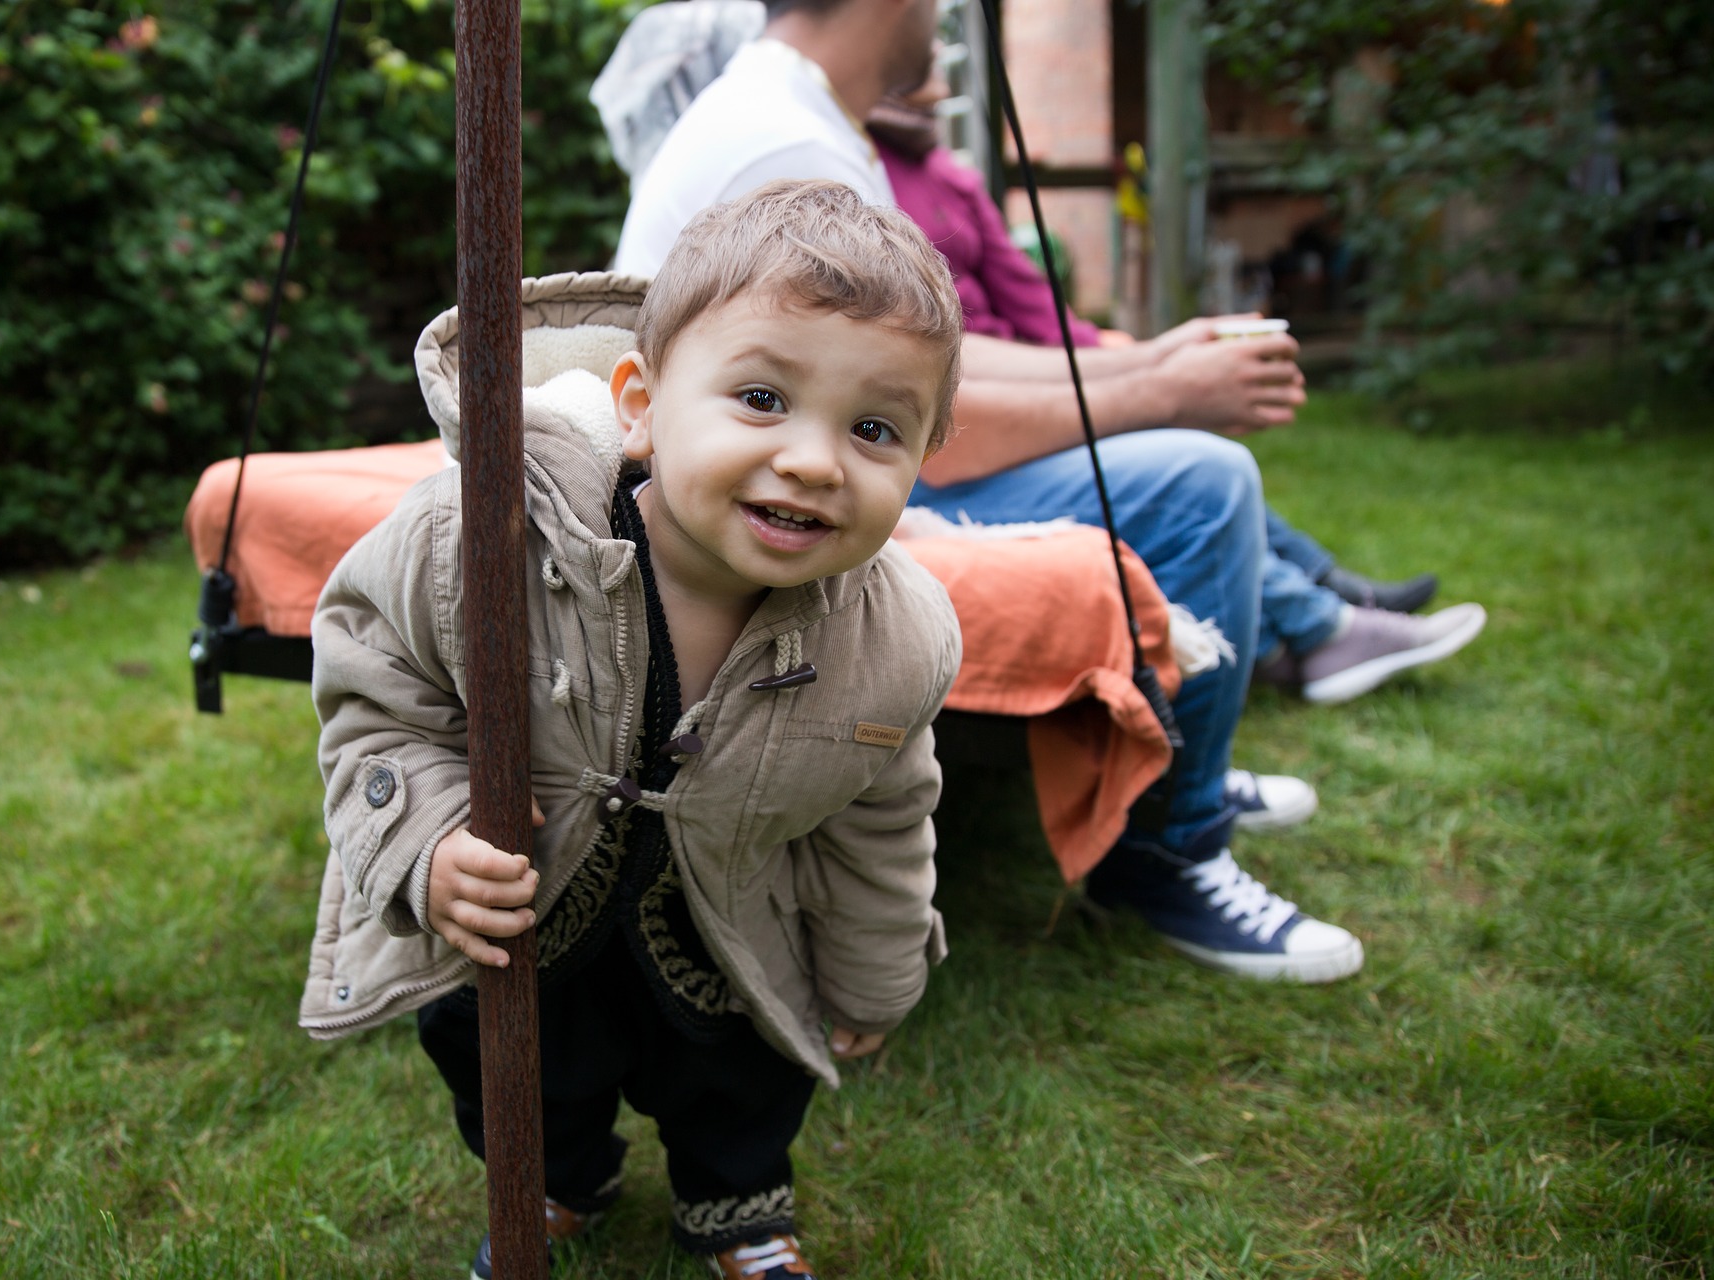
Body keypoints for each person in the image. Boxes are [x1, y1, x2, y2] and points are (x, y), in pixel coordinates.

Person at [615, 0, 1365, 984]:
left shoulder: (797, 112)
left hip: (799, 451)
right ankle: (1166, 846)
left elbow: (924, 375)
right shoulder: (782, 140)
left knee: (1175, 445)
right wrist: (1158, 393)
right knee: (1201, 482)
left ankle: (1190, 760)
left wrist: (1147, 365)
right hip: (740, 496)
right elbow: (908, 432)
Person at [301, 181, 965, 1280]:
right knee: (506, 1056)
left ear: (926, 451)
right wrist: (424, 840)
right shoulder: (484, 534)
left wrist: (875, 973)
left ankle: (739, 1204)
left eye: (876, 427)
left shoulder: (891, 638)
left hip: (726, 916)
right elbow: (378, 686)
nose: (813, 459)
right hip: (525, 910)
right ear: (641, 404)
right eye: (760, 396)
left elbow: (886, 814)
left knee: (743, 1069)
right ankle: (558, 1176)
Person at [862, 83, 1488, 709]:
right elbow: (940, 370)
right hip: (966, 423)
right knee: (1186, 465)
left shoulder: (945, 173)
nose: (944, 85)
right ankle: (1318, 624)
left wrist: (1121, 356)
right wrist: (1152, 384)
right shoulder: (850, 164)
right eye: (929, 73)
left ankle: (1327, 599)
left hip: (1017, 375)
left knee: (1166, 436)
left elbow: (1031, 297)